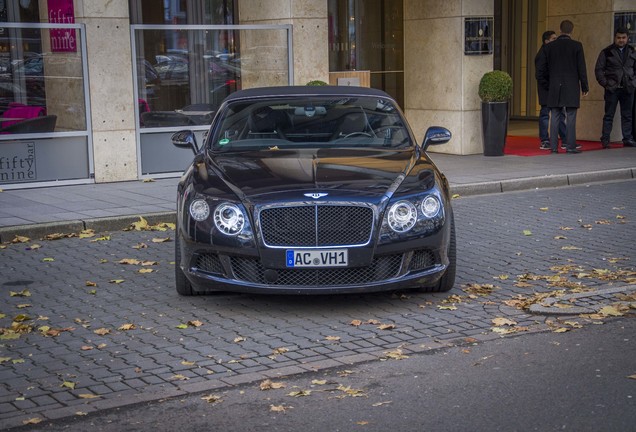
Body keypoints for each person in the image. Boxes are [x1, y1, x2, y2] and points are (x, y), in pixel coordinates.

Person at [536, 19, 589, 154]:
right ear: (571, 31)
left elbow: (541, 70)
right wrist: (585, 86)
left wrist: (548, 84)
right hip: (571, 85)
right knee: (571, 115)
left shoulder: (549, 47)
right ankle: (570, 145)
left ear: (560, 29)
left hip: (554, 85)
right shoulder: (577, 46)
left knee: (555, 115)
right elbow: (581, 68)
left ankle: (553, 147)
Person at [594, 27, 636, 148]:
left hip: (628, 89)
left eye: (623, 38)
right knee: (609, 115)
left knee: (627, 115)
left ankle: (627, 138)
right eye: (619, 38)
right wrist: (606, 84)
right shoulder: (607, 52)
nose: (621, 40)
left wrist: (634, 83)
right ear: (615, 38)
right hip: (612, 89)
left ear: (628, 38)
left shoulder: (632, 51)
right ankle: (605, 140)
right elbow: (598, 70)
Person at [535, 30, 567, 150]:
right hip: (546, 90)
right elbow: (539, 74)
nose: (556, 41)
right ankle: (544, 140)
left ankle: (564, 139)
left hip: (555, 88)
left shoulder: (554, 53)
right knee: (545, 114)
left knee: (560, 113)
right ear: (546, 41)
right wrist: (549, 86)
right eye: (553, 39)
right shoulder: (542, 54)